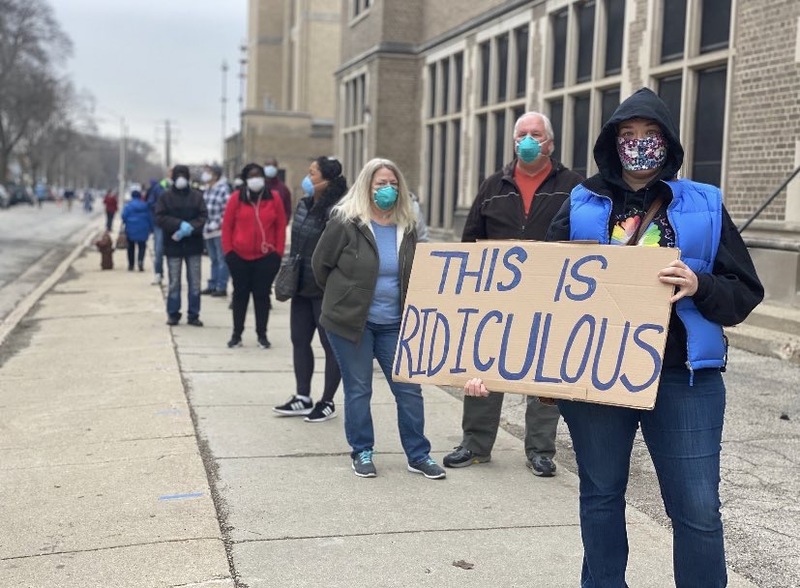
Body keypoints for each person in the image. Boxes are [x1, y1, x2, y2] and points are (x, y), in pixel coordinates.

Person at [533, 87, 762, 586]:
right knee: (600, 496)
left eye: (650, 134)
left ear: (669, 142)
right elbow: (539, 293)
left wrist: (700, 284)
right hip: (598, 378)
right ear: (611, 143)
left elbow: (745, 291)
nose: (639, 145)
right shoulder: (580, 203)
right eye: (627, 135)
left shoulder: (704, 203)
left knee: (697, 508)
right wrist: (492, 366)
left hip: (683, 379)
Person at [443, 111, 584, 477]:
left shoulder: (574, 186)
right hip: (495, 300)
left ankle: (540, 449)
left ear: (550, 142)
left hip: (549, 298)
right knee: (484, 370)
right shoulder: (493, 186)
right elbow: (470, 239)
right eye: (522, 134)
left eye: (535, 134)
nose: (528, 140)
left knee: (543, 376)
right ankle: (474, 444)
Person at [312, 157, 446, 480]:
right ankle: (362, 450)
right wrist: (346, 296)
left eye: (393, 183)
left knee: (409, 390)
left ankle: (418, 454)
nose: (388, 189)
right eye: (380, 184)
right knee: (359, 389)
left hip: (395, 324)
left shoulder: (408, 225)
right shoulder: (346, 222)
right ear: (366, 187)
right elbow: (321, 266)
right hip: (351, 324)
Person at [273, 157, 348, 422]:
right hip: (301, 286)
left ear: (326, 179)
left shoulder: (340, 210)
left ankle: (327, 401)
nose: (307, 178)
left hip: (326, 289)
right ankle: (302, 397)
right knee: (299, 340)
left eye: (312, 173)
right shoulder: (304, 205)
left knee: (331, 347)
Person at [221, 163, 286, 348]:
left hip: (266, 258)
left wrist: (278, 253)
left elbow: (280, 226)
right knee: (239, 296)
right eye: (251, 175)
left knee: (262, 296)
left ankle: (262, 335)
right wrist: (229, 252)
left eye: (258, 175)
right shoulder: (236, 198)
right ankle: (236, 334)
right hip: (239, 257)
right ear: (246, 179)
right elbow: (226, 227)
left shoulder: (274, 198)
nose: (255, 178)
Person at [155, 165, 208, 327]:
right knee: (174, 282)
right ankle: (173, 313)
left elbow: (203, 216)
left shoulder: (197, 197)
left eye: (183, 175)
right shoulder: (165, 197)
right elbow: (160, 217)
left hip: (194, 244)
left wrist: (191, 227)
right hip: (173, 245)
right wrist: (179, 225)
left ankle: (193, 314)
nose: (181, 178)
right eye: (178, 175)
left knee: (195, 282)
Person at [200, 165, 231, 297]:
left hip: (219, 230)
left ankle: (221, 286)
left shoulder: (223, 189)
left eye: (209, 172)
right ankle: (212, 284)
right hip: (208, 230)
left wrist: (218, 223)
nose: (205, 175)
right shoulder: (207, 190)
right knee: (213, 259)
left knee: (222, 259)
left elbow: (227, 210)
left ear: (216, 175)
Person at [121, 190, 153, 272]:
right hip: (143, 228)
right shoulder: (145, 206)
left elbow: (124, 216)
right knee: (142, 246)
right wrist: (151, 228)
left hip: (131, 228)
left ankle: (131, 264)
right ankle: (140, 261)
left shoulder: (128, 206)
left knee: (131, 247)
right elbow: (150, 217)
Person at [146, 175, 170, 285]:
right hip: (160, 223)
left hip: (173, 223)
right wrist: (162, 206)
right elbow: (150, 203)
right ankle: (158, 273)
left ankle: (173, 276)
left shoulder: (178, 188)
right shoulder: (159, 188)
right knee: (159, 250)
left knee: (173, 252)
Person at [263, 157, 292, 225]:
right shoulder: (259, 187)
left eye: (272, 166)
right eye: (268, 165)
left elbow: (287, 210)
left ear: (276, 168)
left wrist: (283, 224)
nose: (270, 168)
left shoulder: (283, 189)